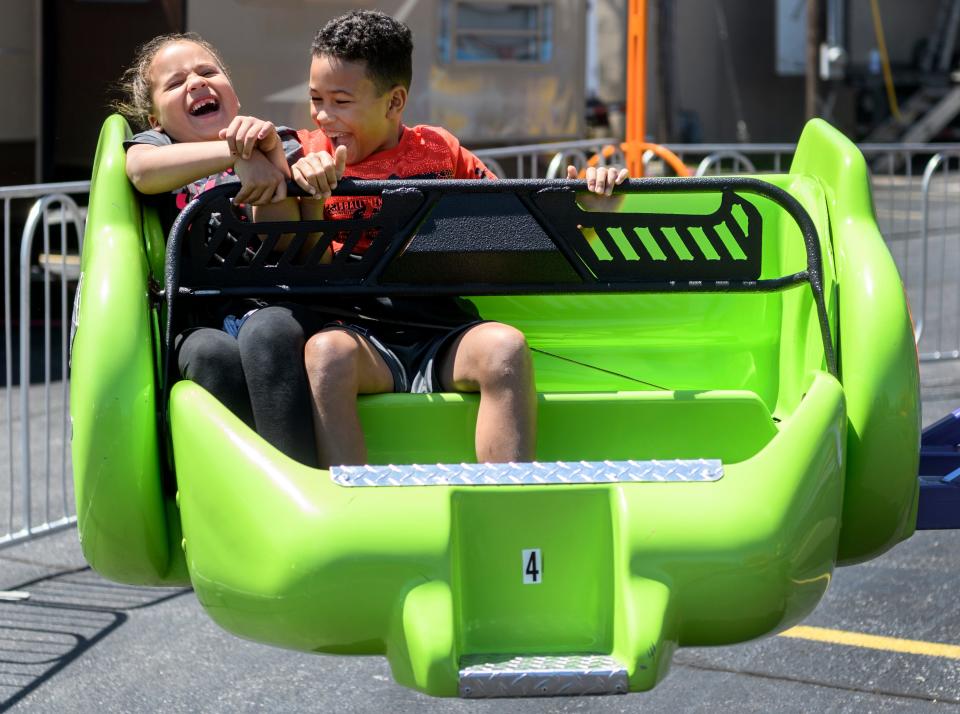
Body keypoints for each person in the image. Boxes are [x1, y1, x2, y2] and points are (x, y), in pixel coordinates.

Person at [290, 10, 628, 468]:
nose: (324, 115)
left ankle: (506, 506)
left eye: (341, 101)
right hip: (358, 335)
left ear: (394, 102)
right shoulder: (304, 155)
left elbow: (515, 230)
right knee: (326, 355)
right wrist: (301, 187)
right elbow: (290, 248)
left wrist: (588, 212)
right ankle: (352, 511)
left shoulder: (439, 151)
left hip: (440, 332)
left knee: (504, 347)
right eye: (316, 99)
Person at [116, 33, 319, 466]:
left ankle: (292, 480)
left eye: (208, 72)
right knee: (209, 354)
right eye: (174, 83)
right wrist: (231, 152)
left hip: (276, 304)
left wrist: (263, 163)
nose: (195, 83)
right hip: (199, 315)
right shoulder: (158, 146)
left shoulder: (276, 139)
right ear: (155, 119)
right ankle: (225, 492)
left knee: (269, 331)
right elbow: (141, 172)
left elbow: (281, 242)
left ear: (234, 94)